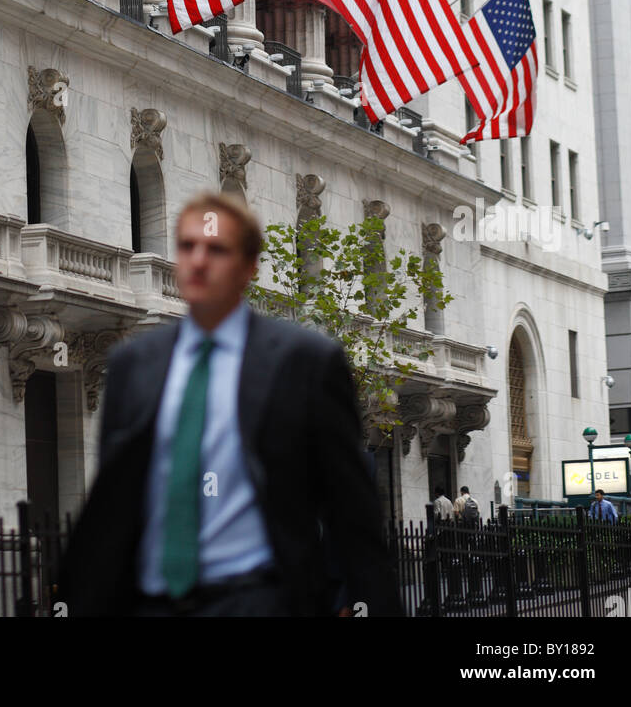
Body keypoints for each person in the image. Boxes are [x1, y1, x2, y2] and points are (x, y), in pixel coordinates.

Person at [59, 191, 403, 617]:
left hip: (255, 599)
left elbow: (353, 516)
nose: (199, 261)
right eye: (188, 246)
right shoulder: (134, 364)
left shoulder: (306, 361)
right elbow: (111, 504)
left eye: (217, 249)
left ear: (248, 266)